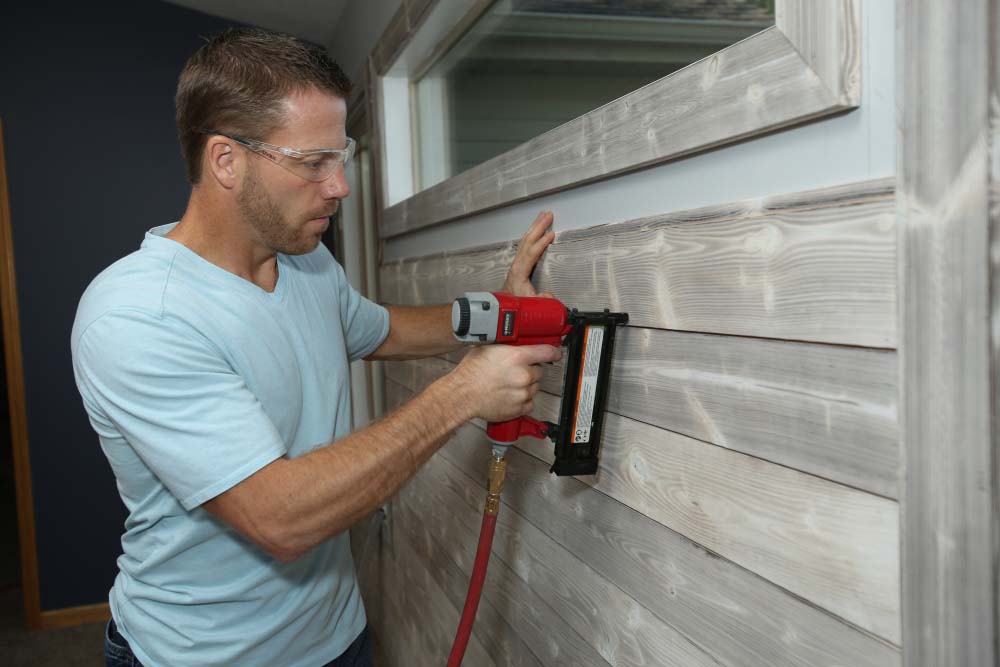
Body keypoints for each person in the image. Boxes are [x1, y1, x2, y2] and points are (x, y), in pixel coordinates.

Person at [71, 27, 561, 667]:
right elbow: (281, 519)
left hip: (337, 635)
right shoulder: (138, 317)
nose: (340, 186)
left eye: (341, 157)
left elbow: (382, 329)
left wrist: (498, 315)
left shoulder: (306, 264)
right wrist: (464, 393)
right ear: (226, 160)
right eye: (312, 164)